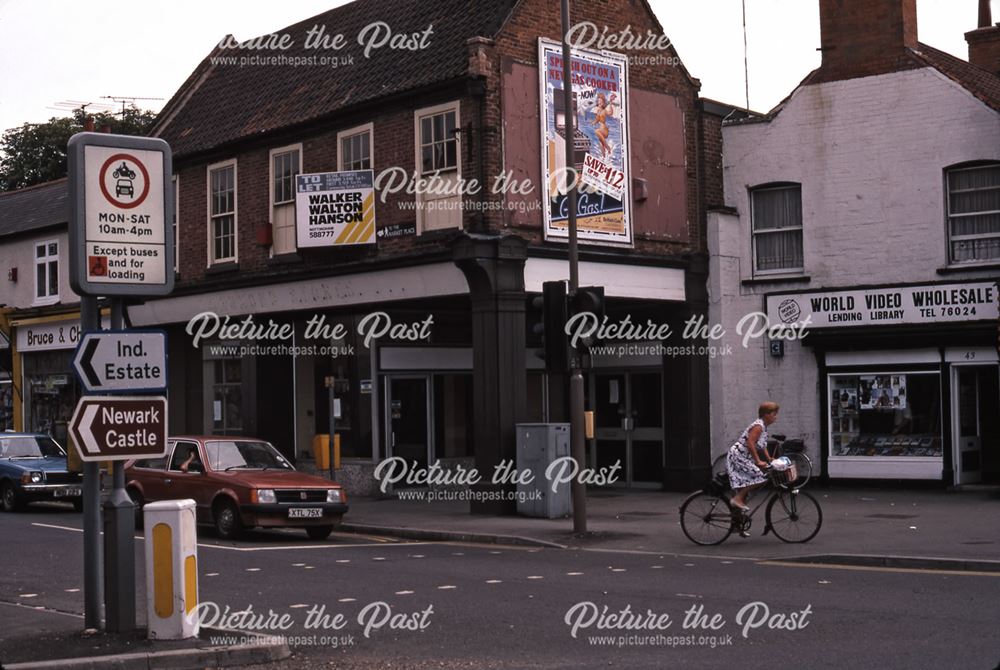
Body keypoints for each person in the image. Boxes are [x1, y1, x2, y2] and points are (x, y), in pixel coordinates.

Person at [727, 402, 779, 517]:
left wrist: (769, 458)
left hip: (744, 456)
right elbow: (750, 443)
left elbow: (763, 445)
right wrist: (758, 461)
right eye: (774, 414)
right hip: (738, 455)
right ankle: (737, 499)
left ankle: (737, 522)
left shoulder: (764, 426)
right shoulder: (758, 426)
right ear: (766, 414)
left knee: (744, 487)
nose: (776, 417)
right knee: (761, 477)